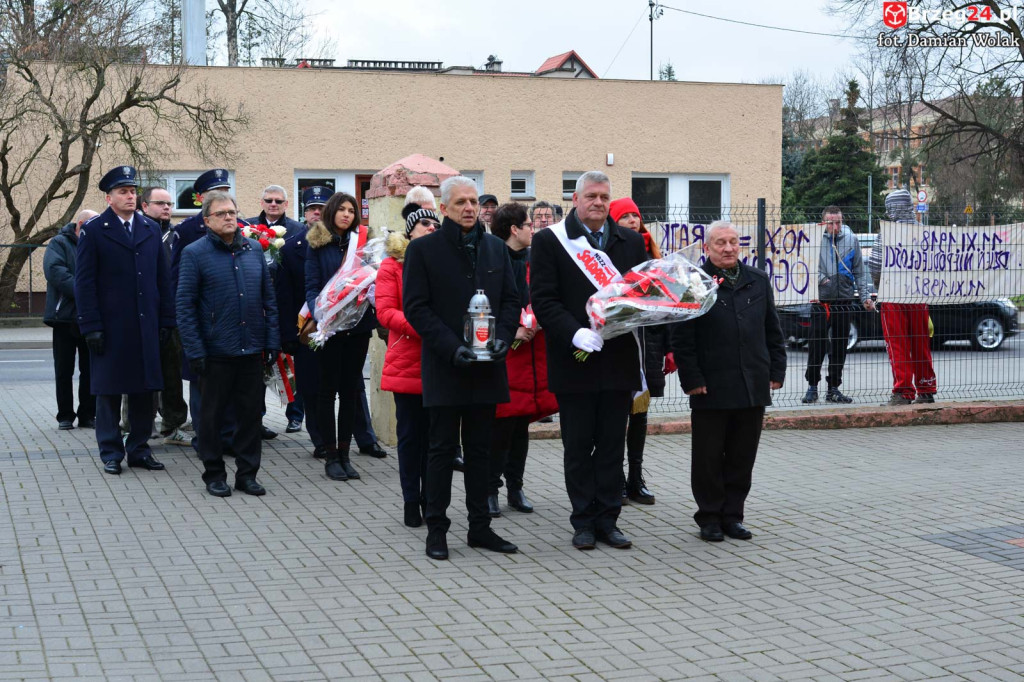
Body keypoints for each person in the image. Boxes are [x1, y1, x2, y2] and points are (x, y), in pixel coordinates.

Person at [403, 176, 520, 561]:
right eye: (461, 203)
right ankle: (436, 529)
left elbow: (511, 300)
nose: (470, 208)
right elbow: (417, 308)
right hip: (446, 365)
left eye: (473, 201)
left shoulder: (495, 249)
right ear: (445, 208)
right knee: (440, 450)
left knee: (481, 451)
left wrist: (503, 336)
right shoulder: (424, 250)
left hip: (487, 368)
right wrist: (452, 348)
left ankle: (480, 528)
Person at [530, 171, 647, 551]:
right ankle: (582, 520)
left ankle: (608, 519)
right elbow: (544, 299)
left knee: (613, 445)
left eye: (604, 197)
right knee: (578, 445)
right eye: (591, 196)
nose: (598, 203)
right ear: (576, 199)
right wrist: (574, 331)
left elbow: (642, 294)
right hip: (574, 358)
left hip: (618, 358)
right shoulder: (550, 241)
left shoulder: (629, 240)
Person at [668, 220, 787, 542]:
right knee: (707, 457)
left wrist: (776, 371)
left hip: (752, 382)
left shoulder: (758, 280)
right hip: (711, 385)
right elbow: (682, 338)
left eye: (733, 242)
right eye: (720, 243)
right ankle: (709, 517)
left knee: (741, 455)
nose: (728, 248)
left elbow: (772, 330)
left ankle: (733, 516)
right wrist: (692, 379)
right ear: (707, 248)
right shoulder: (695, 282)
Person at [176, 191, 279, 497]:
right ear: (207, 220)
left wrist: (271, 341)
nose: (229, 217)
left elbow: (268, 301)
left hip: (251, 349)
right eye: (221, 213)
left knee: (250, 417)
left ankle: (247, 474)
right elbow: (185, 305)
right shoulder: (195, 253)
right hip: (215, 352)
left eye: (233, 212)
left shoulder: (253, 250)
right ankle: (214, 474)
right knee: (211, 418)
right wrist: (195, 350)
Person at [74, 165, 174, 475]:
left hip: (146, 325)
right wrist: (90, 326)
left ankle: (139, 450)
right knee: (109, 393)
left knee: (144, 391)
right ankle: (111, 452)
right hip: (111, 327)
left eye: (132, 191)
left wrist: (166, 320)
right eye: (123, 192)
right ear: (109, 198)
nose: (130, 196)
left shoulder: (150, 228)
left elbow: (162, 278)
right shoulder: (94, 230)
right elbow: (84, 283)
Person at [487, 203, 558, 517]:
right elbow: (482, 305)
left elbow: (544, 295)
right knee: (501, 427)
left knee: (520, 428)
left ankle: (516, 487)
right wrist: (511, 329)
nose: (534, 228)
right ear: (514, 229)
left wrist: (540, 319)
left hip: (533, 352)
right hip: (506, 354)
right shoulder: (490, 260)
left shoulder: (534, 260)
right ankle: (490, 489)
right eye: (529, 224)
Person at [305, 192, 377, 482]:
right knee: (327, 391)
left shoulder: (363, 244)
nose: (347, 214)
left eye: (352, 210)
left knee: (350, 391)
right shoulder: (317, 243)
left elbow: (374, 281)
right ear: (332, 211)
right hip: (330, 328)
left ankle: (346, 454)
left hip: (358, 327)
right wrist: (322, 313)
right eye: (342, 209)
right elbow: (311, 286)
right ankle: (330, 455)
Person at [377, 207, 440, 527]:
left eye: (435, 224)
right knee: (411, 438)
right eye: (424, 224)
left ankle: (432, 502)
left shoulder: (445, 262)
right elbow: (386, 312)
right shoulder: (392, 267)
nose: (431, 228)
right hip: (408, 361)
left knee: (436, 440)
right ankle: (410, 501)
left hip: (441, 361)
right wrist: (426, 327)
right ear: (410, 231)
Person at [609, 197, 668, 506]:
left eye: (636, 215)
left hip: (648, 347)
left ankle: (636, 477)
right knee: (618, 414)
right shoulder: (611, 253)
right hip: (620, 343)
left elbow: (669, 306)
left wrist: (668, 349)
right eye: (625, 216)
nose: (633, 220)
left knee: (641, 414)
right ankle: (615, 478)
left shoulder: (654, 255)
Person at [248, 184, 307, 433]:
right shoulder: (247, 228)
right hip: (256, 306)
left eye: (278, 201)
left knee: (292, 363)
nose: (273, 204)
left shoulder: (298, 230)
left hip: (286, 306)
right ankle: (257, 417)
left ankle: (295, 415)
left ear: (286, 204)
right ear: (261, 202)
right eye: (269, 200)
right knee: (259, 362)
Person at [802, 206, 875, 405]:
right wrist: (821, 279)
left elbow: (860, 271)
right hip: (820, 301)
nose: (835, 226)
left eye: (839, 222)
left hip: (844, 301)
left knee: (840, 346)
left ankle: (833, 388)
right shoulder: (814, 240)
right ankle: (812, 387)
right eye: (831, 222)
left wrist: (865, 297)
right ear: (823, 222)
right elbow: (805, 265)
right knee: (816, 345)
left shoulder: (851, 240)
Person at [276, 186, 329, 458]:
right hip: (306, 330)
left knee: (349, 385)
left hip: (340, 330)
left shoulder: (347, 243)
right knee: (310, 386)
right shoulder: (291, 246)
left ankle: (363, 437)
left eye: (322, 208)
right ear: (304, 213)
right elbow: (284, 296)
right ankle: (320, 440)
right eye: (311, 208)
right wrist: (287, 334)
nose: (316, 213)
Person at [876, 189, 937, 405]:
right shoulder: (923, 230)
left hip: (893, 295)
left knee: (897, 344)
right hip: (918, 295)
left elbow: (875, 265)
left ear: (893, 208)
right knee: (920, 343)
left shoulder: (887, 233)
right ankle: (926, 388)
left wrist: (878, 286)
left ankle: (903, 391)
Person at [140, 186, 190, 445]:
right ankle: (138, 426)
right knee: (141, 374)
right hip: (143, 315)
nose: (168, 208)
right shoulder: (136, 234)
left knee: (172, 373)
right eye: (161, 203)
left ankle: (172, 425)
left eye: (170, 204)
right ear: (145, 206)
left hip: (173, 314)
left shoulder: (176, 236)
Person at [44, 209, 98, 430]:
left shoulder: (96, 244)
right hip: (64, 317)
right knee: (64, 369)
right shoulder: (59, 243)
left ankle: (87, 415)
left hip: (90, 318)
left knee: (91, 370)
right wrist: (84, 290)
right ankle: (65, 415)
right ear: (81, 223)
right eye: (93, 223)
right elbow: (55, 271)